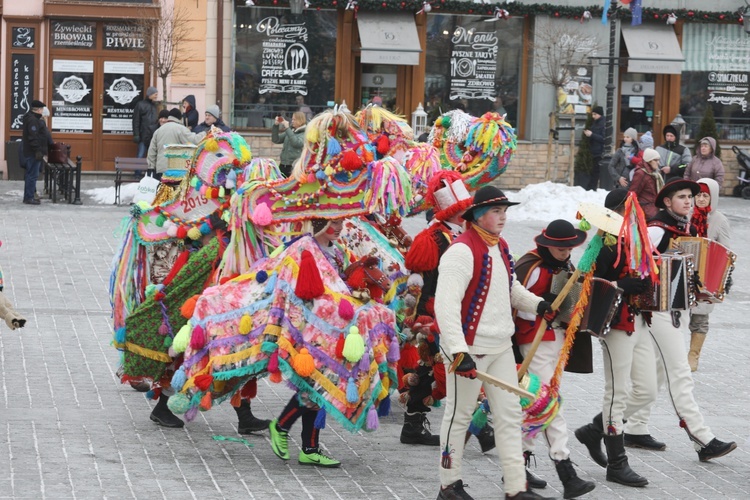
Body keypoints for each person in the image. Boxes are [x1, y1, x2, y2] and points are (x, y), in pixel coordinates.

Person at [434, 185, 555, 500]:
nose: (502, 217)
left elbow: (510, 288)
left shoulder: (500, 247)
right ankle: (449, 485)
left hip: (501, 346)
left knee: (509, 415)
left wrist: (538, 305)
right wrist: (459, 352)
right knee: (459, 415)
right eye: (496, 212)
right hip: (469, 349)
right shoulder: (461, 251)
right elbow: (445, 307)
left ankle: (516, 488)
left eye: (504, 211)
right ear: (477, 215)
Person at [621, 178, 737, 462]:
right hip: (655, 311)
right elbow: (631, 259)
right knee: (680, 372)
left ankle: (629, 426)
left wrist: (711, 285)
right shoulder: (657, 229)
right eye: (682, 197)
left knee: (658, 373)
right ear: (667, 202)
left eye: (690, 197)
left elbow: (694, 271)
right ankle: (702, 437)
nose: (688, 201)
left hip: (676, 310)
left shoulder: (689, 229)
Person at [574, 188, 656, 488]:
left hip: (640, 322)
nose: (634, 215)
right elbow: (582, 284)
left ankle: (595, 429)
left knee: (646, 390)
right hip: (615, 324)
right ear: (616, 212)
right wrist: (621, 283)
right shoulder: (602, 244)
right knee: (616, 393)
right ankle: (617, 463)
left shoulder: (638, 240)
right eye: (628, 210)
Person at [513, 220, 595, 499]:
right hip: (534, 341)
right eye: (560, 248)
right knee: (548, 403)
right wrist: (541, 307)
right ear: (546, 244)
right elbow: (517, 305)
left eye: (569, 247)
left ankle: (517, 466)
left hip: (556, 340)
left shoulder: (569, 268)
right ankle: (566, 470)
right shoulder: (531, 267)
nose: (565, 252)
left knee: (537, 404)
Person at [269, 218, 350, 468]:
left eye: (341, 222)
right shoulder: (302, 248)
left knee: (319, 387)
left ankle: (309, 448)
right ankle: (281, 426)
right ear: (319, 222)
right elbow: (291, 289)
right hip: (307, 329)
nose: (338, 228)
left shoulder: (337, 251)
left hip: (330, 329)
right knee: (313, 385)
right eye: (333, 222)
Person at [400, 171, 473, 447]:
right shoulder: (435, 240)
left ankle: (412, 425)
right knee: (442, 366)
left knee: (427, 368)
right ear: (455, 213)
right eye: (464, 210)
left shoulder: (461, 235)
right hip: (437, 312)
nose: (469, 214)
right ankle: (478, 429)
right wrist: (420, 317)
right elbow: (421, 283)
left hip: (457, 310)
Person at [686, 178, 731, 371]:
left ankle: (693, 355)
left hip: (707, 275)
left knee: (700, 317)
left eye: (705, 195)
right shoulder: (686, 215)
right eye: (698, 195)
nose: (701, 199)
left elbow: (727, 250)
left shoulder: (719, 220)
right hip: (685, 270)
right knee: (677, 314)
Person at [147, 108, 205, 179]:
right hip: (175, 170)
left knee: (161, 190)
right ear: (179, 118)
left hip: (160, 169)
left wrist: (151, 167)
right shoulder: (181, 129)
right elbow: (194, 140)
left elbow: (152, 151)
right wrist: (205, 133)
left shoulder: (158, 130)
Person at [21, 100, 49, 206]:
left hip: (30, 151)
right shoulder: (33, 120)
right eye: (41, 109)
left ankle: (28, 196)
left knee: (29, 175)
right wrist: (38, 150)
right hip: (33, 152)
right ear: (38, 110)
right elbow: (33, 137)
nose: (42, 111)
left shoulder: (30, 118)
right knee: (32, 175)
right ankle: (29, 197)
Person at [628, 147, 663, 220]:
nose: (658, 163)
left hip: (654, 210)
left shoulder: (654, 173)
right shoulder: (641, 173)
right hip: (645, 213)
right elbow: (633, 193)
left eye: (658, 160)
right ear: (649, 161)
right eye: (655, 160)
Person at [271, 111, 307, 178]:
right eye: (292, 119)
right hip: (283, 165)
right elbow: (276, 139)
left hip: (294, 166)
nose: (292, 121)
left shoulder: (304, 133)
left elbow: (296, 143)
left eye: (294, 119)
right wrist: (276, 125)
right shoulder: (291, 130)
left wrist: (287, 128)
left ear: (300, 120)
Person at [132, 86, 159, 158]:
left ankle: (150, 169)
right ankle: (138, 169)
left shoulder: (155, 106)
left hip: (153, 136)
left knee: (152, 156)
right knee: (140, 155)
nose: (156, 96)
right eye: (155, 94)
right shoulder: (140, 105)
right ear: (150, 94)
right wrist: (136, 134)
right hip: (143, 135)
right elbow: (136, 121)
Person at [583, 106, 605, 191]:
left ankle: (592, 188)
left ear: (599, 114)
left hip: (599, 151)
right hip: (594, 150)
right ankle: (591, 188)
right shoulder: (595, 122)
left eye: (595, 114)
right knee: (594, 171)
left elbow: (603, 139)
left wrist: (591, 135)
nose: (593, 116)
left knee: (596, 172)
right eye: (592, 114)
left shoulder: (603, 123)